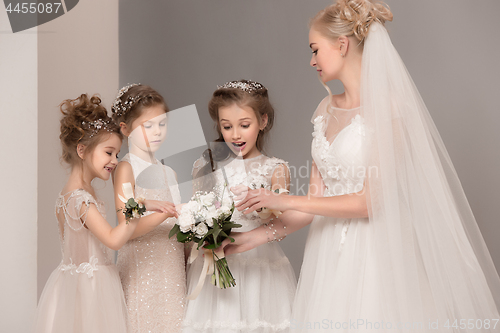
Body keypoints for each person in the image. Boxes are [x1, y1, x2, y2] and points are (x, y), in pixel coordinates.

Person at [224, 1, 500, 331]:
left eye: (315, 50)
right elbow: (314, 203)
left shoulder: (390, 109)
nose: (311, 61)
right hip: (327, 254)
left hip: (376, 253)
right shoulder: (324, 109)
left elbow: (370, 201)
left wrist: (281, 200)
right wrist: (253, 238)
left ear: (342, 45)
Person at [183, 80, 297, 333]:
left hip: (258, 264)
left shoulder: (275, 168)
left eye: (244, 125)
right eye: (227, 126)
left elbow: (282, 215)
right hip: (215, 261)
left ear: (263, 122)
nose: (235, 134)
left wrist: (261, 204)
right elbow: (195, 212)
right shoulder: (205, 165)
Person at [34, 94, 140, 332]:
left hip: (75, 284)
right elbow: (113, 240)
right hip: (90, 289)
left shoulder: (73, 193)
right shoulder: (80, 199)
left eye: (117, 154)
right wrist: (137, 210)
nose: (114, 161)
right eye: (108, 152)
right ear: (82, 150)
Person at [111, 84, 186, 333]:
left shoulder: (169, 172)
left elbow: (179, 223)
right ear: (125, 129)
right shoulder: (126, 169)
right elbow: (126, 229)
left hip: (172, 267)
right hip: (142, 268)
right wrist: (162, 214)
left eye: (162, 124)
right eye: (148, 125)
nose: (157, 132)